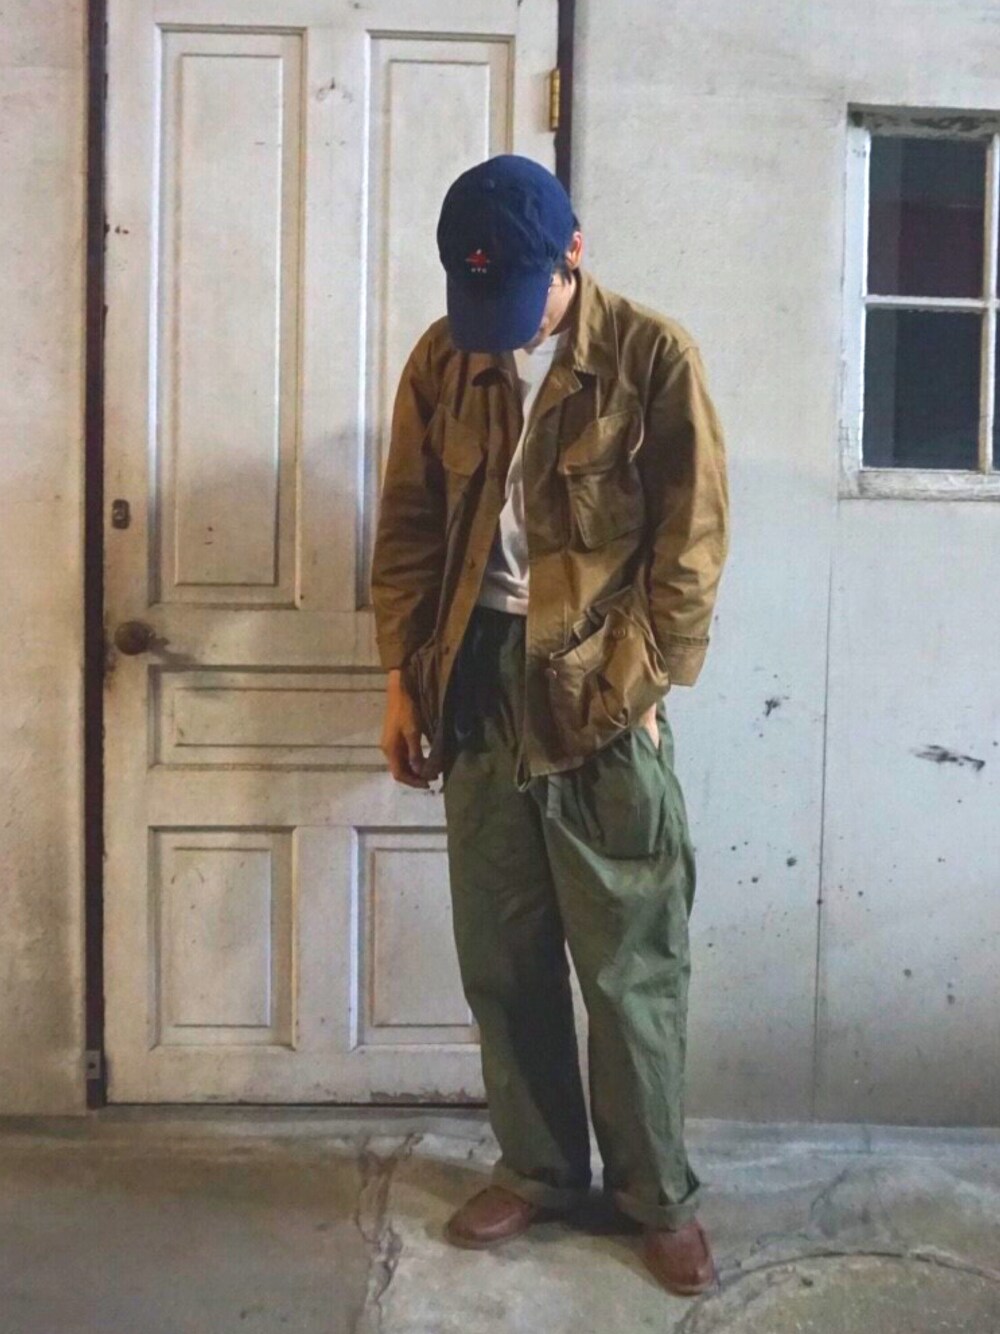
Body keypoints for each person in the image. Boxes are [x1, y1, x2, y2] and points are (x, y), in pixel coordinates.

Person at [370, 154, 729, 1298]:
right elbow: (409, 523)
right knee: (503, 947)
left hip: (599, 688)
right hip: (475, 673)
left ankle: (654, 1194)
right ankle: (538, 1166)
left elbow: (689, 550)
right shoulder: (447, 355)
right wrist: (401, 679)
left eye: (520, 297)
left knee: (630, 961)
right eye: (481, 300)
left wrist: (640, 688)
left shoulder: (652, 357)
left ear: (572, 251)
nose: (503, 327)